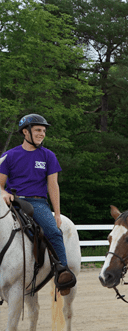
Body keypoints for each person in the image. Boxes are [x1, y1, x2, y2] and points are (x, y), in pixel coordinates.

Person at [0, 114, 76, 290]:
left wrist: (57, 214)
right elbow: (0, 185)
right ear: (26, 132)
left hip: (37, 203)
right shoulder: (9, 156)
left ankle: (62, 272)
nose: (42, 134)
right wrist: (3, 193)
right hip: (12, 201)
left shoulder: (48, 156)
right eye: (38, 130)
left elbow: (53, 186)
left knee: (54, 233)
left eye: (44, 131)